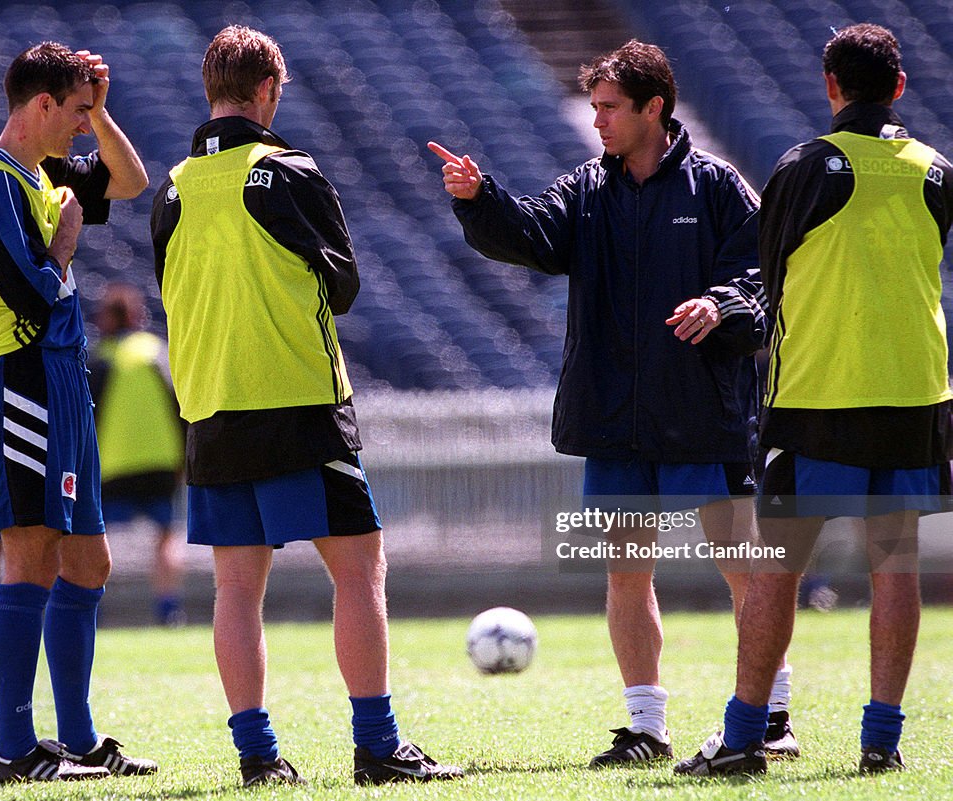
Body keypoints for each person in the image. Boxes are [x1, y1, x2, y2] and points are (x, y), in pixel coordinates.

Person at [430, 39, 799, 766]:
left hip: (700, 414)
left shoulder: (718, 187)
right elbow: (534, 236)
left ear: (653, 108)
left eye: (608, 107)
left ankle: (772, 715)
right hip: (614, 419)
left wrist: (720, 305)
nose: (596, 120)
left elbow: (761, 277)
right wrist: (482, 200)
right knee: (625, 571)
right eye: (593, 107)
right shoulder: (585, 190)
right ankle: (645, 727)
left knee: (743, 567)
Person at [150, 25, 462, 787]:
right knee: (358, 569)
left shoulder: (172, 186)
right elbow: (343, 287)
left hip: (210, 406)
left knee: (235, 587)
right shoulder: (289, 172)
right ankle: (378, 745)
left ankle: (258, 757)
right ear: (267, 90)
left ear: (209, 90)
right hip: (295, 399)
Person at [674, 23, 953, 777]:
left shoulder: (807, 165)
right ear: (899, 87)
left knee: (778, 570)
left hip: (821, 396)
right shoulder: (937, 172)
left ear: (830, 85)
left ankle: (743, 736)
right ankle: (882, 741)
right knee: (895, 567)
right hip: (916, 394)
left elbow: (766, 274)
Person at [0, 42, 153, 783]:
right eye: (72, 113)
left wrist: (100, 110)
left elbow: (130, 180)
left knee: (88, 561)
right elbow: (31, 296)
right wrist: (66, 241)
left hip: (62, 383)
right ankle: (14, 749)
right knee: (30, 556)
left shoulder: (43, 175)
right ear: (40, 106)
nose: (79, 127)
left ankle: (78, 737)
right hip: (20, 380)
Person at [90, 283, 186, 626]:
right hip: (161, 461)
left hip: (115, 464)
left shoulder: (101, 359)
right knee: (166, 535)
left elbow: (91, 416)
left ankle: (92, 606)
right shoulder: (158, 352)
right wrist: (183, 457)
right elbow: (181, 407)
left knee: (98, 538)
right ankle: (169, 607)